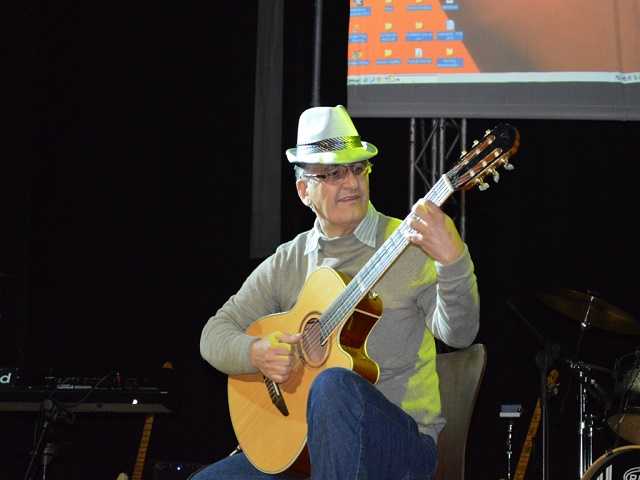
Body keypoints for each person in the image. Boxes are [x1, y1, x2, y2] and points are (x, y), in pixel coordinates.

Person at [194, 105, 480, 480]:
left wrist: (454, 262)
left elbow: (459, 335)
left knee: (333, 386)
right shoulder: (289, 260)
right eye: (332, 174)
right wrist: (256, 353)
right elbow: (213, 334)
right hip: (308, 448)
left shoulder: (410, 244)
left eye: (358, 169)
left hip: (399, 448)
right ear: (304, 190)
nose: (351, 183)